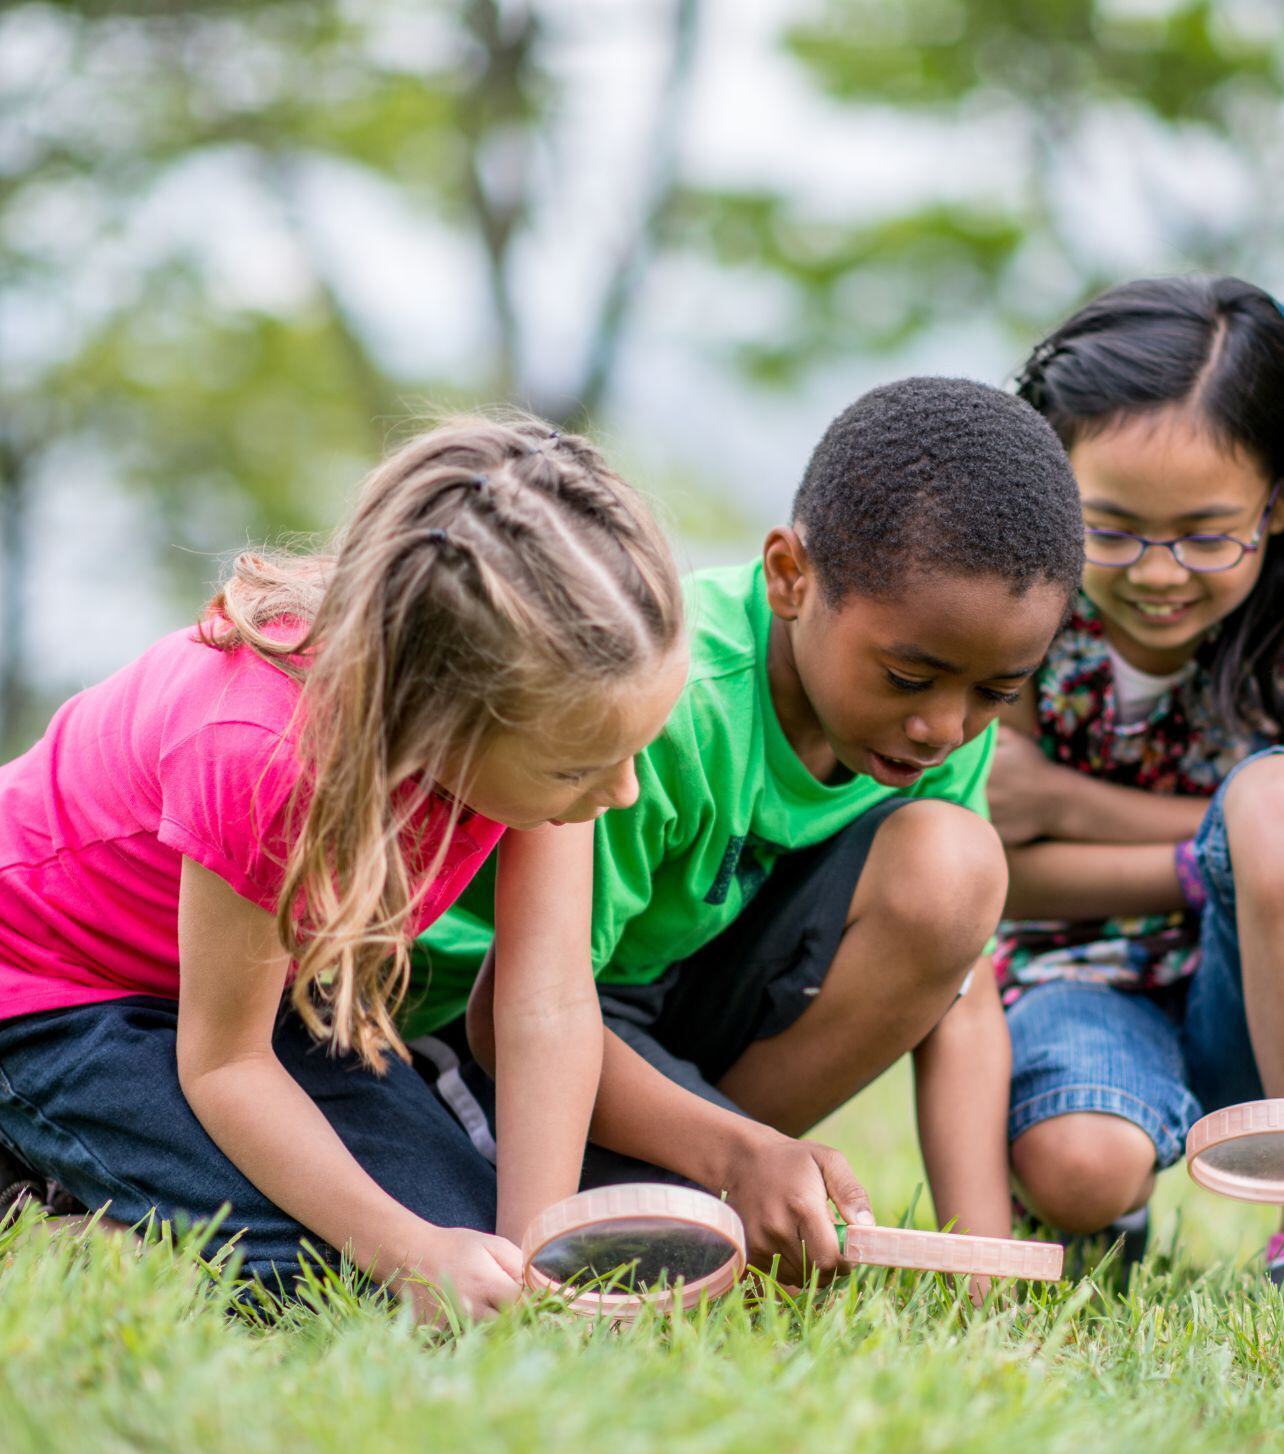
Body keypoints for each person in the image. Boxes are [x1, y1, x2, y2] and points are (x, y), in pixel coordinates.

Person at [0, 415, 687, 1320]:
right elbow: (226, 1065)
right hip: (54, 992)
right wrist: (408, 1254)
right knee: (361, 1271)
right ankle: (41, 1200)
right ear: (437, 717)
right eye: (580, 769)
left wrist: (534, 1262)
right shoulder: (260, 752)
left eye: (632, 751)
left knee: (463, 1232)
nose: (623, 792)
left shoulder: (555, 720)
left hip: (246, 1001)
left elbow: (547, 1001)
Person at [412, 377, 1084, 1284]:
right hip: (497, 1028)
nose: (944, 727)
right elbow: (525, 1012)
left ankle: (706, 1176)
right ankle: (701, 1174)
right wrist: (739, 1153)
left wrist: (989, 1266)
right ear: (790, 577)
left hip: (674, 1014)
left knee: (958, 868)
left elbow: (961, 998)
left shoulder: (943, 725)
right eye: (907, 678)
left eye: (996, 692)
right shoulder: (660, 697)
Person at [990, 276, 1284, 1281]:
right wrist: (1213, 855)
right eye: (1110, 530)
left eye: (1207, 534)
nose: (1159, 573)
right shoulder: (1015, 618)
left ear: (1278, 504)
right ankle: (1098, 1202)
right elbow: (1003, 874)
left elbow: (1270, 836)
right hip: (1082, 979)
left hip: (1259, 998)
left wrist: (1069, 805)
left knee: (1270, 803)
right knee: (1081, 1164)